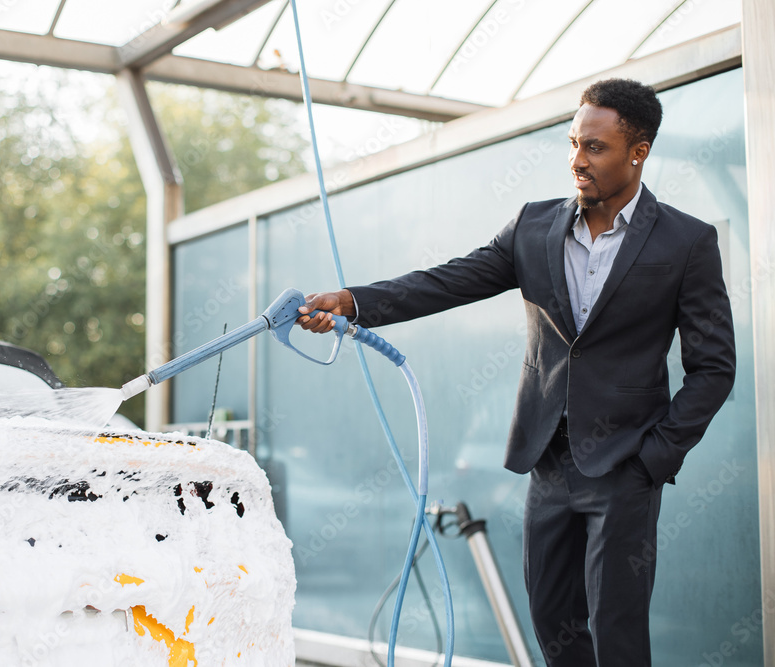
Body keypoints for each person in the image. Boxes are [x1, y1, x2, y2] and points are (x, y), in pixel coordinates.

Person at [296, 78, 736, 667]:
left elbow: (714, 369)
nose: (577, 161)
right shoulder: (533, 226)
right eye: (573, 144)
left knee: (617, 632)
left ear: (639, 152)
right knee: (553, 621)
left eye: (596, 148)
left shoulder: (686, 242)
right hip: (548, 461)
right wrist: (352, 301)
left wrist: (654, 457)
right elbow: (446, 281)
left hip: (626, 466)